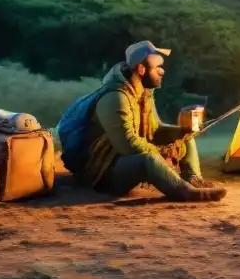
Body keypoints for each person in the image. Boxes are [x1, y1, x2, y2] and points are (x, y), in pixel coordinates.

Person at [73, 40, 227, 202]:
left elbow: (155, 130)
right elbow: (126, 145)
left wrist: (182, 131)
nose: (162, 72)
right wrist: (160, 152)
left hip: (127, 158)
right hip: (105, 172)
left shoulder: (144, 93)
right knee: (146, 160)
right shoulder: (115, 98)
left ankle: (193, 179)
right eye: (157, 67)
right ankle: (185, 191)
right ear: (141, 69)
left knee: (185, 136)